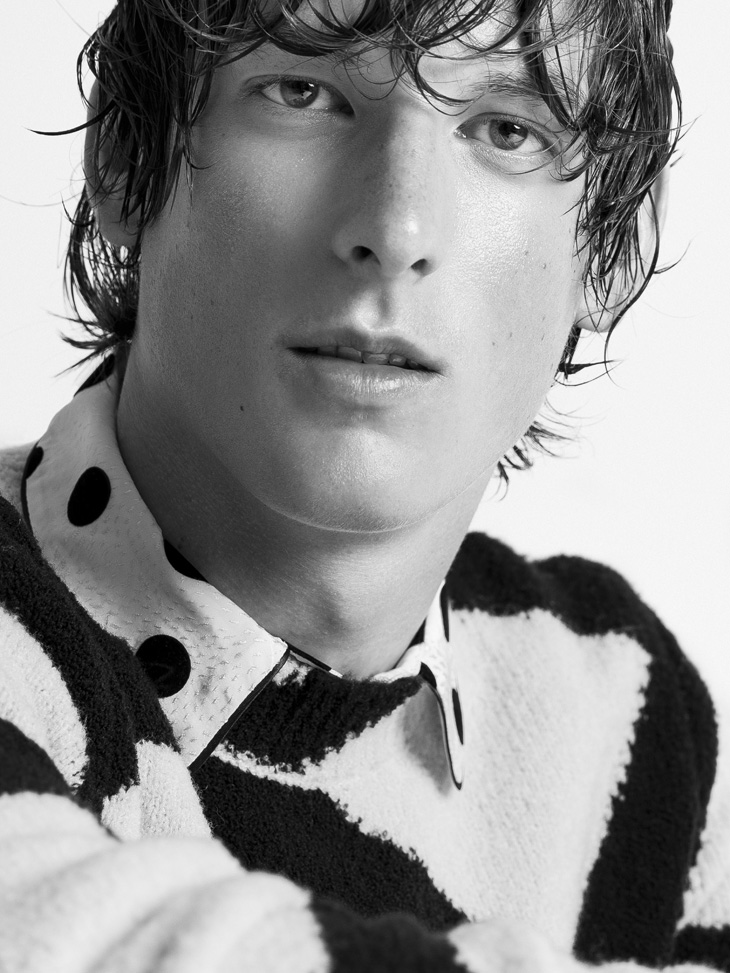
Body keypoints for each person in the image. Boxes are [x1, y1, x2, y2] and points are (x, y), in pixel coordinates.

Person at [0, 0, 727, 971]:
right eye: (302, 91)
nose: (395, 228)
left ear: (613, 245)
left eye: (506, 129)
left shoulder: (626, 709)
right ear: (127, 158)